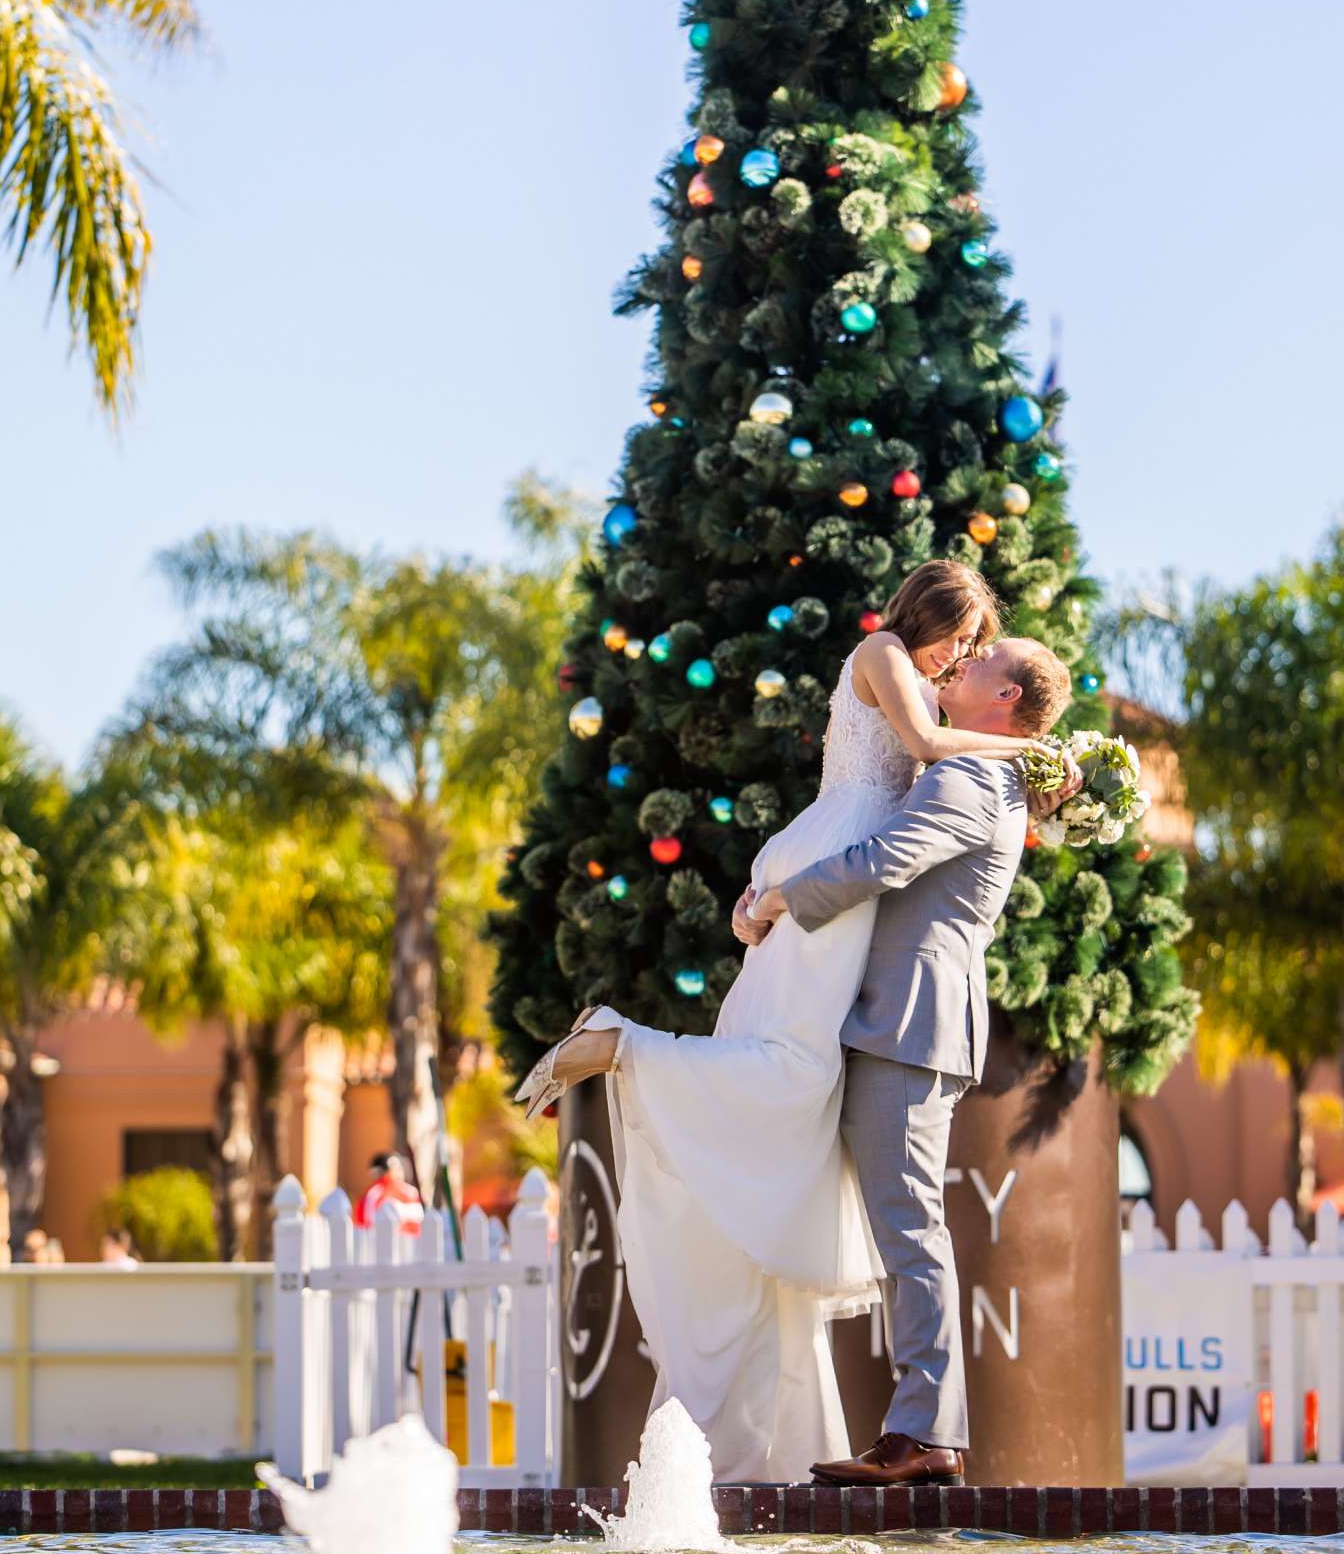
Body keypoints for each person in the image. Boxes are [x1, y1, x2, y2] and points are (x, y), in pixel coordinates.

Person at [516, 561, 1078, 1482]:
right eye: (967, 643)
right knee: (803, 1104)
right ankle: (906, 1429)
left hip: (903, 1015)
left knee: (899, 1212)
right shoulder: (934, 711)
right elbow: (908, 785)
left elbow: (889, 854)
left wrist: (781, 900)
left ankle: (925, 1436)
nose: (963, 662)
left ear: (1005, 694)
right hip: (872, 980)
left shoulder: (974, 780)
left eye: (981, 660)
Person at [355, 1151, 425, 1234]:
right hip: (413, 1242)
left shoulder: (373, 1193)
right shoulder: (411, 1191)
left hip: (383, 1241)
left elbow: (364, 1223)